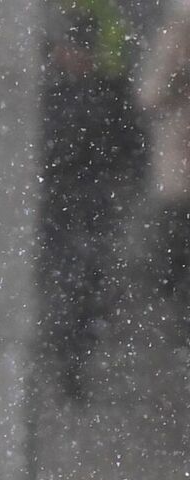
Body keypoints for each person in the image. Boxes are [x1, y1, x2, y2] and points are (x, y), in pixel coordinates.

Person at [42, 0, 144, 401]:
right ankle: (68, 355)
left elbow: (132, 150)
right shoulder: (63, 94)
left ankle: (72, 357)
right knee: (72, 284)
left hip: (88, 205)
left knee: (83, 285)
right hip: (71, 206)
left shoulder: (100, 94)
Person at [143, 0, 190, 341]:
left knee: (174, 260)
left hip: (181, 169)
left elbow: (153, 94)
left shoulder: (181, 20)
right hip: (180, 166)